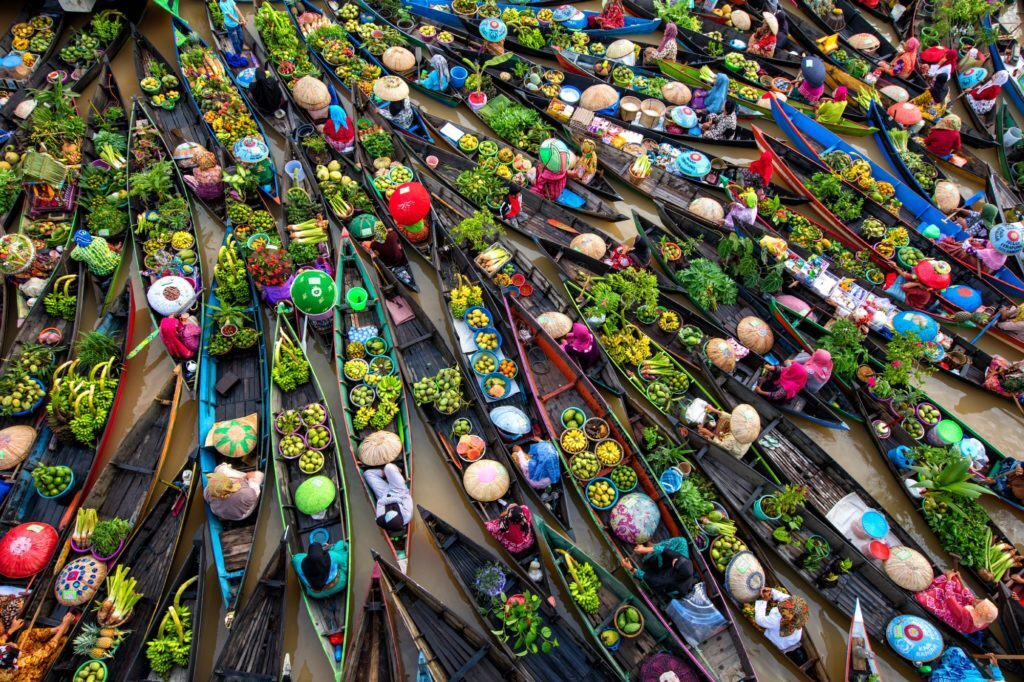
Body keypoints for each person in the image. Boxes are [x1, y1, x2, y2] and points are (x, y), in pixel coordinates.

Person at [915, 569, 1000, 634]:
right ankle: (938, 585)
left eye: (979, 604)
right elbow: (971, 598)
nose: (977, 601)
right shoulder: (985, 619)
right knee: (955, 581)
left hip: (952, 618)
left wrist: (948, 578)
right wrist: (960, 578)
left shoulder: (965, 614)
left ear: (978, 611)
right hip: (960, 612)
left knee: (922, 598)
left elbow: (950, 598)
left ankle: (926, 590)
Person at [0, 612, 75, 682]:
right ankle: (61, 631)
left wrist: (11, 629)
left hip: (22, 658)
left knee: (25, 634)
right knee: (62, 641)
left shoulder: (4, 657)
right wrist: (65, 624)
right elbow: (45, 651)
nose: (10, 642)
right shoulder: (21, 664)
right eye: (11, 645)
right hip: (33, 670)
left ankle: (56, 629)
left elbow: (1, 642)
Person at [627, 538, 698, 598]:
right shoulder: (685, 561)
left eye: (676, 562)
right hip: (673, 568)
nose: (675, 559)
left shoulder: (667, 579)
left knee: (657, 555)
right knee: (682, 541)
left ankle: (647, 556)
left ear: (675, 569)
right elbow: (668, 551)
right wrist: (646, 549)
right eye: (677, 559)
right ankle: (650, 549)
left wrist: (631, 568)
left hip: (663, 575)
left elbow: (650, 579)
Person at [754, 587, 808, 653]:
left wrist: (764, 600)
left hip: (774, 643)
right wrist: (772, 591)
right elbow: (788, 598)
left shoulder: (776, 620)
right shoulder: (799, 616)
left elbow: (759, 620)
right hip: (790, 642)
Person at [364, 463, 412, 533]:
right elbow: (406, 496)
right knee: (389, 467)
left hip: (384, 495)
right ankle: (392, 472)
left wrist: (394, 499)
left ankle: (385, 473)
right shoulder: (407, 515)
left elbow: (380, 502)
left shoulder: (381, 517)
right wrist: (396, 498)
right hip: (399, 491)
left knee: (367, 473)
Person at [930, 649, 1005, 682]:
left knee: (937, 677)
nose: (992, 680)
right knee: (955, 650)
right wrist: (994, 665)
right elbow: (1000, 678)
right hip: (972, 673)